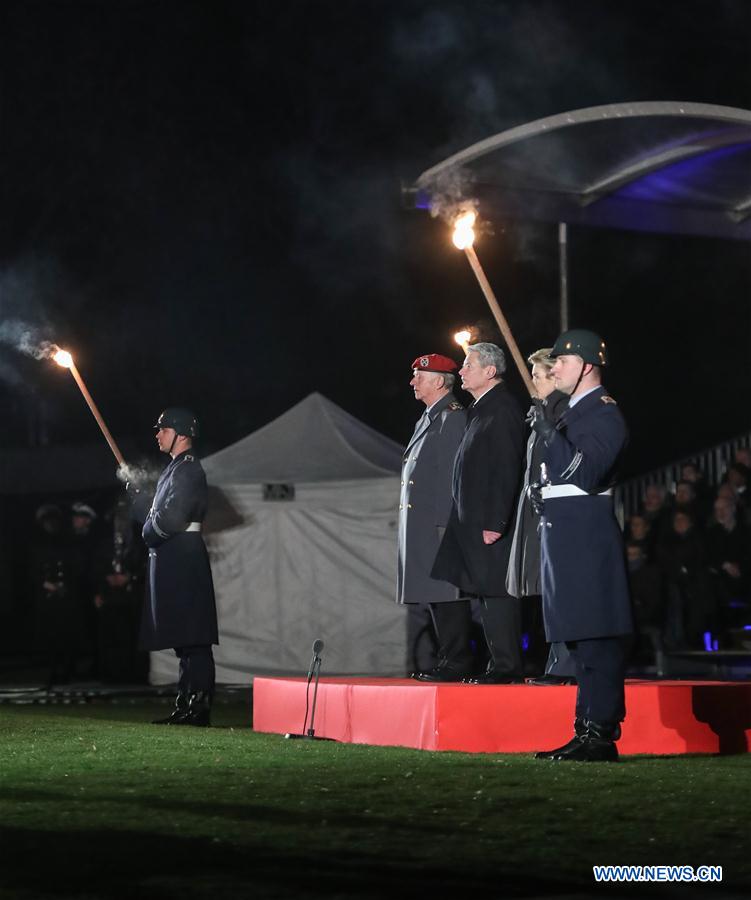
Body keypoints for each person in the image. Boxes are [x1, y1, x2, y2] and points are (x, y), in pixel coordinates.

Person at [531, 329, 633, 762]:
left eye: (564, 363)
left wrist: (551, 428)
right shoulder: (573, 410)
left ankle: (601, 733)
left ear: (588, 365)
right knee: (579, 640)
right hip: (563, 532)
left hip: (587, 536)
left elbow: (584, 472)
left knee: (597, 639)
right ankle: (586, 729)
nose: (555, 370)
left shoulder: (604, 414)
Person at [430, 342, 525, 683]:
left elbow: (505, 467)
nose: (461, 371)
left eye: (468, 365)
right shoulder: (481, 408)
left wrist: (496, 521)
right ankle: (486, 663)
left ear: (489, 371)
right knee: (480, 592)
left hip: (488, 523)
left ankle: (506, 666)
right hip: (469, 520)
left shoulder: (502, 409)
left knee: (497, 593)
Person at [137, 407, 218, 725]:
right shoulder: (175, 470)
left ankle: (197, 709)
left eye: (163, 429)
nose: (158, 434)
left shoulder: (188, 470)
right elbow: (162, 509)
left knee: (194, 638)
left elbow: (171, 518)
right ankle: (186, 704)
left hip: (183, 557)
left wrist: (148, 529)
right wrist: (144, 502)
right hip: (176, 557)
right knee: (185, 640)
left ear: (181, 434)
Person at [507, 347, 575, 686]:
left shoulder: (562, 412)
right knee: (547, 589)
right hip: (540, 510)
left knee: (559, 589)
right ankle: (556, 662)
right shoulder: (543, 412)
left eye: (537, 374)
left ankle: (565, 665)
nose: (532, 380)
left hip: (558, 511)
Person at [397, 353, 468, 678]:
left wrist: (444, 525)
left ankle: (455, 661)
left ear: (439, 380)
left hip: (437, 525)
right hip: (424, 524)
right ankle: (446, 658)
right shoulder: (430, 417)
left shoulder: (451, 417)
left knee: (446, 593)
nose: (413, 382)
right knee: (433, 594)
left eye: (419, 376)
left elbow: (451, 477)